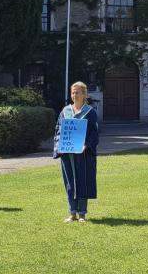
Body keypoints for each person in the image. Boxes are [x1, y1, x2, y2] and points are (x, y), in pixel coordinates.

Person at [53, 81, 99, 223]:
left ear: (84, 95)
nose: (74, 95)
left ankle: (82, 214)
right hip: (67, 154)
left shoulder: (90, 113)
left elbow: (94, 133)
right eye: (72, 92)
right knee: (70, 183)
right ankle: (72, 213)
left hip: (83, 154)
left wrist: (87, 145)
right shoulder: (65, 112)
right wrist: (58, 146)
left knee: (82, 182)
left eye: (77, 92)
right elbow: (58, 131)